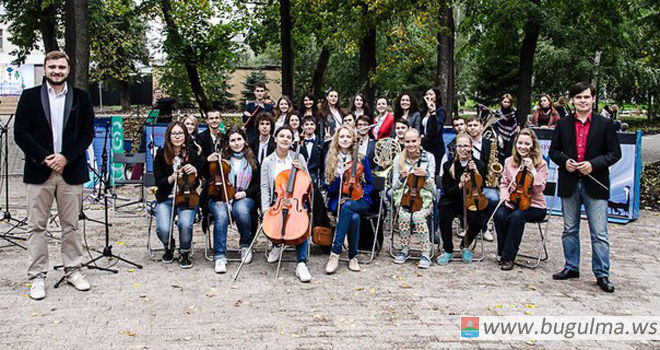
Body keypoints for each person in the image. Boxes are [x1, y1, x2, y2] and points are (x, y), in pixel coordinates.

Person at [15, 50, 95, 300]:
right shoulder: (29, 97)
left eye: (61, 67)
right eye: (52, 67)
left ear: (68, 70)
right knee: (36, 226)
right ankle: (37, 276)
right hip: (39, 171)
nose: (57, 71)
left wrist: (65, 157)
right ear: (45, 69)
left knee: (71, 225)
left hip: (70, 171)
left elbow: (87, 134)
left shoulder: (81, 97)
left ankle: (73, 270)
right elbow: (21, 133)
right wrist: (45, 157)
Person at [549, 81, 622, 293]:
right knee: (569, 229)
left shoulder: (604, 124)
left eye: (586, 97)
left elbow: (614, 153)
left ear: (593, 99)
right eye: (578, 97)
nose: (582, 101)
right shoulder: (562, 124)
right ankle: (571, 267)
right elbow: (554, 151)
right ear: (572, 100)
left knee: (599, 232)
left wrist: (593, 165)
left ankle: (602, 274)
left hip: (595, 183)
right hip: (570, 182)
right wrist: (565, 162)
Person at [260, 126, 312, 282]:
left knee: (302, 220)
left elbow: (308, 182)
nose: (285, 139)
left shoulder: (298, 158)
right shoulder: (268, 161)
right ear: (275, 138)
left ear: (292, 141)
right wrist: (265, 209)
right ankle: (276, 243)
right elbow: (264, 187)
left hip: (296, 200)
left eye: (288, 137)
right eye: (281, 136)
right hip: (278, 201)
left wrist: (301, 170)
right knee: (274, 216)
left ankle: (301, 264)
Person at [205, 128, 259, 273]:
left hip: (243, 196)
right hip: (220, 197)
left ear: (244, 141)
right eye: (233, 140)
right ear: (228, 143)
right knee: (221, 215)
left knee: (240, 210)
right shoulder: (221, 159)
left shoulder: (252, 159)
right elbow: (207, 176)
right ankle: (220, 256)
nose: (236, 143)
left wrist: (245, 193)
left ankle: (245, 246)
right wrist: (208, 161)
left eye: (239, 139)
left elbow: (257, 184)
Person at [494, 128, 548, 270]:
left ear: (533, 146)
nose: (522, 147)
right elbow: (504, 184)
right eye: (520, 143)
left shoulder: (541, 164)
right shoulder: (508, 161)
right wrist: (505, 198)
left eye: (527, 144)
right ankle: (502, 251)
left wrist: (532, 170)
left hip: (535, 205)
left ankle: (508, 257)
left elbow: (539, 188)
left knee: (516, 217)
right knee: (499, 215)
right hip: (513, 200)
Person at [153, 122, 204, 269]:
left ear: (185, 135)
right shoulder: (161, 155)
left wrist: (195, 171)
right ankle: (169, 245)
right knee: (163, 229)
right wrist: (172, 177)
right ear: (168, 136)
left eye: (180, 133)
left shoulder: (193, 154)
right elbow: (158, 182)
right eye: (173, 133)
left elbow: (200, 179)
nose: (177, 136)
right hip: (166, 197)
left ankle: (184, 252)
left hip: (187, 197)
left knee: (185, 224)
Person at [324, 126, 374, 274]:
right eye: (342, 137)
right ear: (337, 140)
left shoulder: (361, 158)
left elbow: (369, 183)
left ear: (353, 139)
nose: (345, 139)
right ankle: (353, 256)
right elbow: (330, 189)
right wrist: (340, 175)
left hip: (360, 200)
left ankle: (335, 253)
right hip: (339, 198)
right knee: (354, 217)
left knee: (349, 207)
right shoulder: (332, 160)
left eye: (348, 136)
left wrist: (362, 195)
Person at [436, 132, 486, 265]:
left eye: (466, 146)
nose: (463, 149)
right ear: (455, 148)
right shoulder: (448, 166)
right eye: (460, 146)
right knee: (444, 215)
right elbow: (447, 191)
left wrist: (476, 173)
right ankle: (448, 249)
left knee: (477, 220)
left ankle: (465, 246)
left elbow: (481, 187)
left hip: (470, 200)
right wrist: (460, 184)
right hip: (452, 200)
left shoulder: (479, 165)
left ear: (471, 147)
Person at [391, 129, 436, 269]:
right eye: (408, 141)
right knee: (403, 216)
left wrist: (426, 176)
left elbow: (433, 188)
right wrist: (401, 178)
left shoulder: (429, 157)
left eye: (414, 141)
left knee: (418, 217)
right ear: (403, 142)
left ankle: (425, 253)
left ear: (419, 141)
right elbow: (394, 188)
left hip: (424, 199)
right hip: (405, 198)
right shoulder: (399, 159)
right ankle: (404, 250)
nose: (411, 144)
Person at [465, 115, 497, 242]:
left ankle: (483, 226)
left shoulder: (490, 145)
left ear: (482, 127)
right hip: (467, 183)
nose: (472, 128)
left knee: (494, 198)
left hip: (485, 183)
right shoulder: (462, 143)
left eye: (475, 125)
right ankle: (466, 225)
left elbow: (493, 163)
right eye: (470, 125)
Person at [420, 88, 446, 175]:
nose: (428, 96)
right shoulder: (423, 111)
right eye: (427, 94)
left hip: (435, 147)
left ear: (437, 96)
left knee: (433, 173)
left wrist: (433, 112)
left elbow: (435, 130)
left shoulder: (440, 111)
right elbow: (420, 127)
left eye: (431, 94)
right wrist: (420, 135)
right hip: (423, 146)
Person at [492, 93, 519, 160]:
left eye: (508, 102)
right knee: (500, 153)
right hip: (501, 134)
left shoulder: (514, 111)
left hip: (512, 134)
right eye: (505, 102)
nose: (506, 104)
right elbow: (495, 125)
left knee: (509, 153)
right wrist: (498, 136)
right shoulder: (498, 112)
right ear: (501, 102)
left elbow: (517, 122)